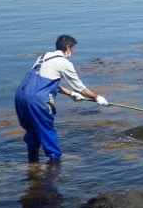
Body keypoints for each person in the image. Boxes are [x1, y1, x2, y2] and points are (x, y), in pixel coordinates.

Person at [15, 35, 108, 163]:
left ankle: (33, 164)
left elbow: (45, 82)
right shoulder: (64, 63)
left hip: (20, 95)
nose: (72, 52)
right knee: (47, 131)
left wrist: (70, 94)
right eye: (73, 48)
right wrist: (97, 98)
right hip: (38, 100)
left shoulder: (44, 56)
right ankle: (54, 166)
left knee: (32, 130)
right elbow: (80, 88)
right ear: (68, 47)